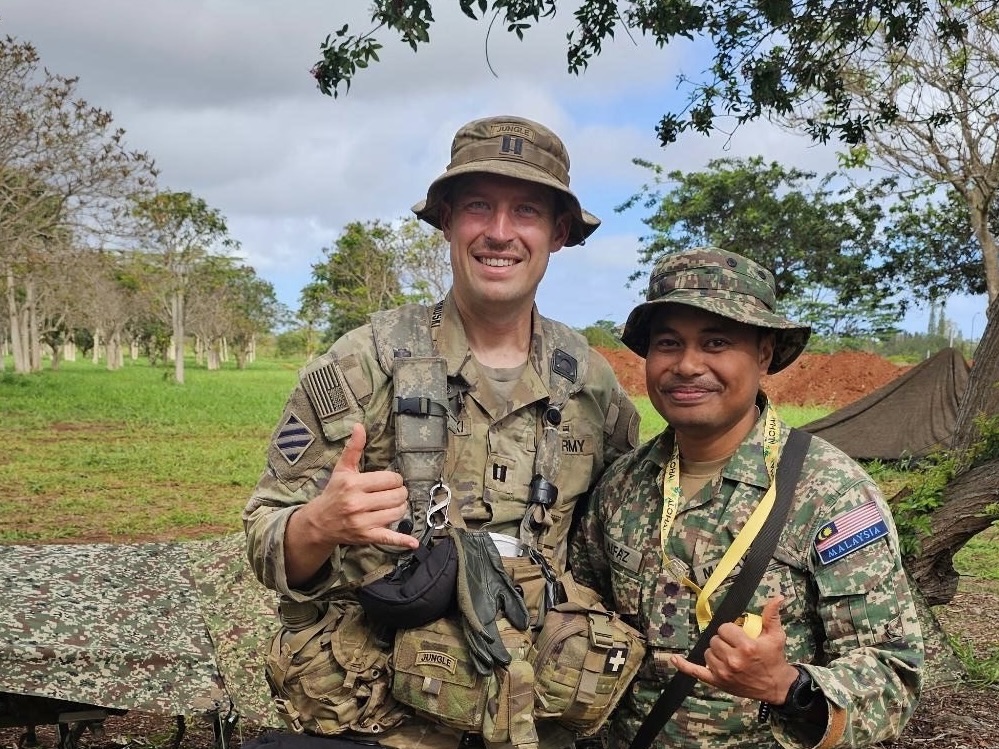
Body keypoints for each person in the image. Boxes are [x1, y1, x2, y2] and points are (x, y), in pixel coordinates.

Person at [243, 115, 639, 749]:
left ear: (559, 232)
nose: (500, 233)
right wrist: (317, 525)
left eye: (527, 211)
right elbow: (266, 537)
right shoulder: (362, 363)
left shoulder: (595, 388)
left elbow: (616, 546)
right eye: (479, 206)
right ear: (449, 221)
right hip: (378, 717)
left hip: (536, 716)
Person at [569, 247, 924, 749]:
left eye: (716, 342)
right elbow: (583, 614)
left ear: (762, 354)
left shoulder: (829, 493)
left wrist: (787, 687)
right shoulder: (620, 486)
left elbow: (894, 672)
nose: (688, 365)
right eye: (668, 343)